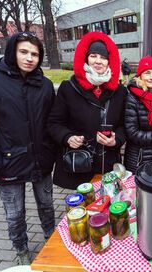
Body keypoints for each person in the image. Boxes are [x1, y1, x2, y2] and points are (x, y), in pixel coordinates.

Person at [0, 32, 56, 265]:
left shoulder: (44, 85)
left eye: (35, 54)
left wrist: (51, 150)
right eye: (24, 52)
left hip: (41, 159)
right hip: (7, 162)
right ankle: (21, 250)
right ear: (12, 52)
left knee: (46, 205)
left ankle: (51, 238)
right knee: (15, 214)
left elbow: (53, 121)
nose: (29, 58)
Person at [47, 31, 126, 189]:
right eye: (94, 56)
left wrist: (116, 140)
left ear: (109, 62)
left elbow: (125, 125)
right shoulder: (69, 88)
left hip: (107, 162)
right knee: (84, 206)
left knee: (109, 205)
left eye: (103, 58)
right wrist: (68, 137)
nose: (98, 61)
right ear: (85, 58)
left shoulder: (120, 91)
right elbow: (54, 123)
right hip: (80, 162)